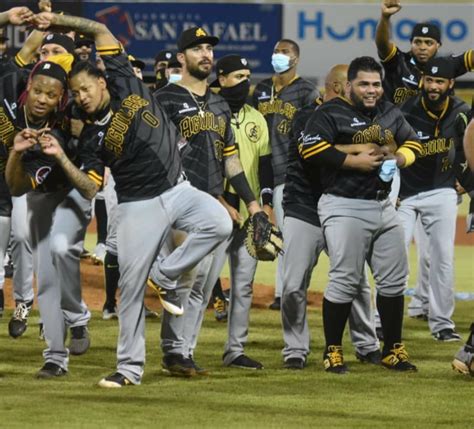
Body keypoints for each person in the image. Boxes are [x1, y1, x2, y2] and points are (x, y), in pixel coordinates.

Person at [32, 11, 232, 387]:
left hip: (178, 187)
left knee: (220, 223)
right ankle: (128, 368)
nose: (81, 97)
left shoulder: (127, 81)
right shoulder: (89, 135)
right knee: (131, 289)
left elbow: (101, 29)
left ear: (102, 83)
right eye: (75, 94)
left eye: (85, 89)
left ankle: (166, 274)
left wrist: (58, 19)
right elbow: (91, 187)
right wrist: (60, 156)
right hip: (138, 205)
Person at [152, 27, 266, 376]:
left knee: (203, 286)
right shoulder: (165, 98)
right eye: (197, 48)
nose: (206, 54)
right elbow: (157, 153)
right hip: (179, 201)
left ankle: (184, 352)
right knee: (186, 277)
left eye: (208, 49)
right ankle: (173, 352)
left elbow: (230, 157)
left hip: (216, 204)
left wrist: (253, 204)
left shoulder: (218, 103)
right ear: (182, 57)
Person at [302, 56, 422, 373]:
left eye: (376, 84)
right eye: (364, 84)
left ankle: (392, 348)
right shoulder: (330, 112)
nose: (371, 90)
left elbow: (414, 142)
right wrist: (352, 162)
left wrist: (398, 158)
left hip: (383, 206)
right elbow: (310, 149)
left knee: (395, 279)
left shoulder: (389, 111)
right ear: (349, 86)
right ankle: (333, 351)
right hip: (344, 205)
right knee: (345, 279)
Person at [281, 64, 381, 370]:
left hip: (343, 206)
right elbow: (310, 151)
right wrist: (360, 147)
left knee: (356, 281)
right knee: (293, 283)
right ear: (340, 88)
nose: (363, 91)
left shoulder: (358, 118)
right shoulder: (305, 116)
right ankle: (296, 349)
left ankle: (366, 344)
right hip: (305, 207)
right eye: (354, 86)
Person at [398, 57, 472, 341]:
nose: (433, 86)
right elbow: (389, 144)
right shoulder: (407, 110)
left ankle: (442, 323)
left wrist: (466, 184)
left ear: (450, 84)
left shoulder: (462, 112)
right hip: (404, 193)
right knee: (394, 256)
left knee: (443, 256)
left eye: (439, 81)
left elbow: (470, 145)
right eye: (429, 80)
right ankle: (381, 320)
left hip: (441, 189)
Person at [208, 54, 273, 369]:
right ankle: (181, 349)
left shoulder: (256, 118)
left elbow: (266, 166)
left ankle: (235, 350)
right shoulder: (207, 113)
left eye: (247, 76)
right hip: (213, 209)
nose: (245, 83)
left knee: (243, 285)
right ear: (221, 79)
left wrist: (265, 207)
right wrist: (220, 201)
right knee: (201, 282)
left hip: (249, 213)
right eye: (237, 77)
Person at [253, 39, 318, 310]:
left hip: (288, 173)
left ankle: (285, 293)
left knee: (287, 237)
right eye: (277, 51)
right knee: (262, 236)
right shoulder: (261, 89)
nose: (279, 56)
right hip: (259, 170)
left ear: (296, 59)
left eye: (285, 52)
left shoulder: (306, 91)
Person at [375, 0, 473, 104]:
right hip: (392, 119)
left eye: (428, 43)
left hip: (433, 119)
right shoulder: (398, 62)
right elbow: (382, 44)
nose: (422, 47)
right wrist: (385, 17)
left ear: (438, 45)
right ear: (411, 43)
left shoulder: (446, 65)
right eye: (418, 42)